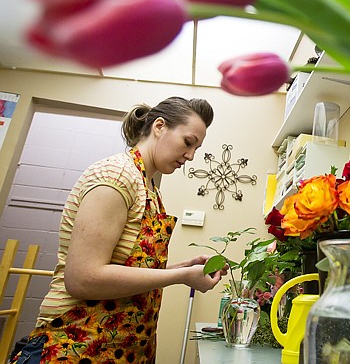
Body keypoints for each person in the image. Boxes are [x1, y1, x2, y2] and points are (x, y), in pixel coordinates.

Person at [14, 97, 225, 364]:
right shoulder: (116, 176)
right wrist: (182, 276)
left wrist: (184, 268)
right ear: (159, 126)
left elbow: (124, 270)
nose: (191, 155)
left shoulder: (149, 188)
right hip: (76, 343)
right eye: (188, 142)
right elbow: (83, 278)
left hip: (121, 348)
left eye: (196, 147)